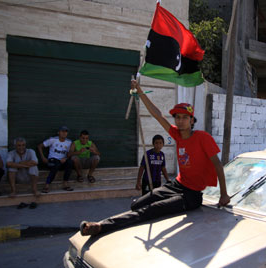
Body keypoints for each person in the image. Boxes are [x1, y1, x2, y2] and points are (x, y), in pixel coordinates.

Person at [79, 79, 230, 236]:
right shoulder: (177, 135)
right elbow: (157, 115)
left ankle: (101, 226)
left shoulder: (202, 137)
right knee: (137, 204)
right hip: (177, 185)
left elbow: (218, 165)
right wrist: (140, 90)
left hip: (191, 195)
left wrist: (224, 194)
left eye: (185, 117)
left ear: (192, 120)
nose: (180, 120)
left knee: (151, 210)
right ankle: (121, 221)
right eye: (177, 117)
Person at [37, 126, 73, 193]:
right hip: (52, 161)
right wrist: (43, 157)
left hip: (62, 161)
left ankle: (65, 183)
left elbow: (69, 153)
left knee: (70, 162)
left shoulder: (69, 142)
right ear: (58, 132)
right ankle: (47, 185)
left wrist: (65, 158)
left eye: (66, 131)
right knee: (56, 165)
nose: (64, 133)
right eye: (62, 131)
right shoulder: (53, 139)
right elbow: (39, 146)